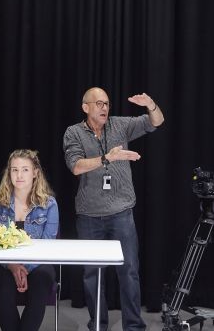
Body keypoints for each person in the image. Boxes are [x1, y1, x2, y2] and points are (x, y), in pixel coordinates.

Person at [63, 87, 164, 331]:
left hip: (122, 213)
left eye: (106, 103)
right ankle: (98, 324)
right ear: (85, 107)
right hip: (89, 215)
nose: (104, 108)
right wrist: (107, 158)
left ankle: (133, 326)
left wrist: (150, 104)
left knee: (129, 271)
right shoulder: (74, 132)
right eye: (98, 104)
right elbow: (75, 166)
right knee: (92, 275)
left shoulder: (120, 125)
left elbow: (157, 121)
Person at [0, 149, 59, 331]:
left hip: (39, 263)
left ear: (35, 173)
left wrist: (25, 268)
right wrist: (12, 265)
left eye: (25, 169)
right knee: (4, 288)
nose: (19, 175)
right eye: (14, 169)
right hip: (2, 264)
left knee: (40, 284)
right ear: (9, 173)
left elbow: (47, 244)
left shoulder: (49, 204)